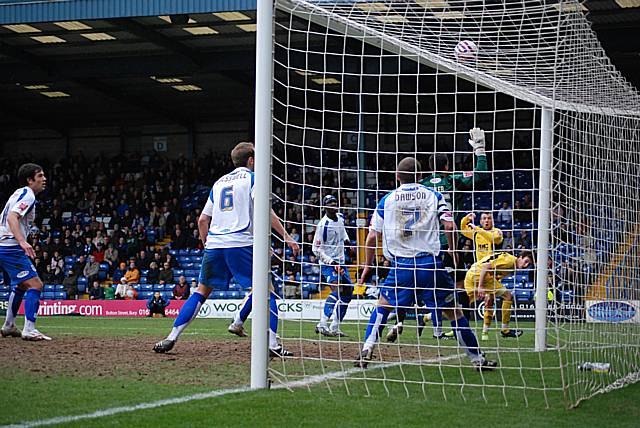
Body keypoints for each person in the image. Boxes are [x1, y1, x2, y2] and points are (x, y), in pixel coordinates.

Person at [153, 142, 299, 357]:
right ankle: (272, 345)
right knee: (268, 294)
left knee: (201, 292)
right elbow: (264, 212)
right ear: (251, 160)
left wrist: (207, 245)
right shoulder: (253, 179)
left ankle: (171, 337)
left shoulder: (219, 183)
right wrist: (287, 238)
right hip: (240, 243)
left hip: (215, 244)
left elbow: (203, 220)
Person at [355, 157, 495, 370]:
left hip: (401, 265)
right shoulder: (434, 195)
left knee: (383, 306)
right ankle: (477, 360)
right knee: (454, 312)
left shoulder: (387, 200)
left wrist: (367, 266)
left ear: (397, 176)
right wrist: (453, 252)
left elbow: (372, 237)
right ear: (421, 176)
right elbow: (449, 226)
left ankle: (367, 347)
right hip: (430, 264)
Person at [0, 163, 51, 341]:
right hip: (10, 247)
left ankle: (9, 325)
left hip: (3, 245)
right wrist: (22, 241)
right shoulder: (28, 195)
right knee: (36, 285)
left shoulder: (18, 192)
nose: (44, 179)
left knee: (21, 285)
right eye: (40, 176)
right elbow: (12, 217)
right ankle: (29, 329)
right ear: (30, 180)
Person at [464, 251, 535, 340]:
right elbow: (486, 266)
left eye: (528, 264)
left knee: (468, 302)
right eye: (526, 261)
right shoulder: (509, 261)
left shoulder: (510, 263)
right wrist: (481, 286)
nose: (525, 265)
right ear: (520, 257)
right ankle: (505, 330)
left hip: (472, 273)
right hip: (479, 275)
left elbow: (494, 272)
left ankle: (482, 332)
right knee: (508, 296)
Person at [312, 194, 352, 337]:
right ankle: (322, 324)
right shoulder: (323, 225)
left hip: (341, 262)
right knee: (338, 289)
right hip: (329, 264)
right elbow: (316, 249)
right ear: (325, 206)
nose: (334, 205)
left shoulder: (340, 217)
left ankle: (335, 326)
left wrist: (347, 241)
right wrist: (330, 262)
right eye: (330, 203)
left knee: (348, 293)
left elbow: (343, 230)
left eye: (335, 202)